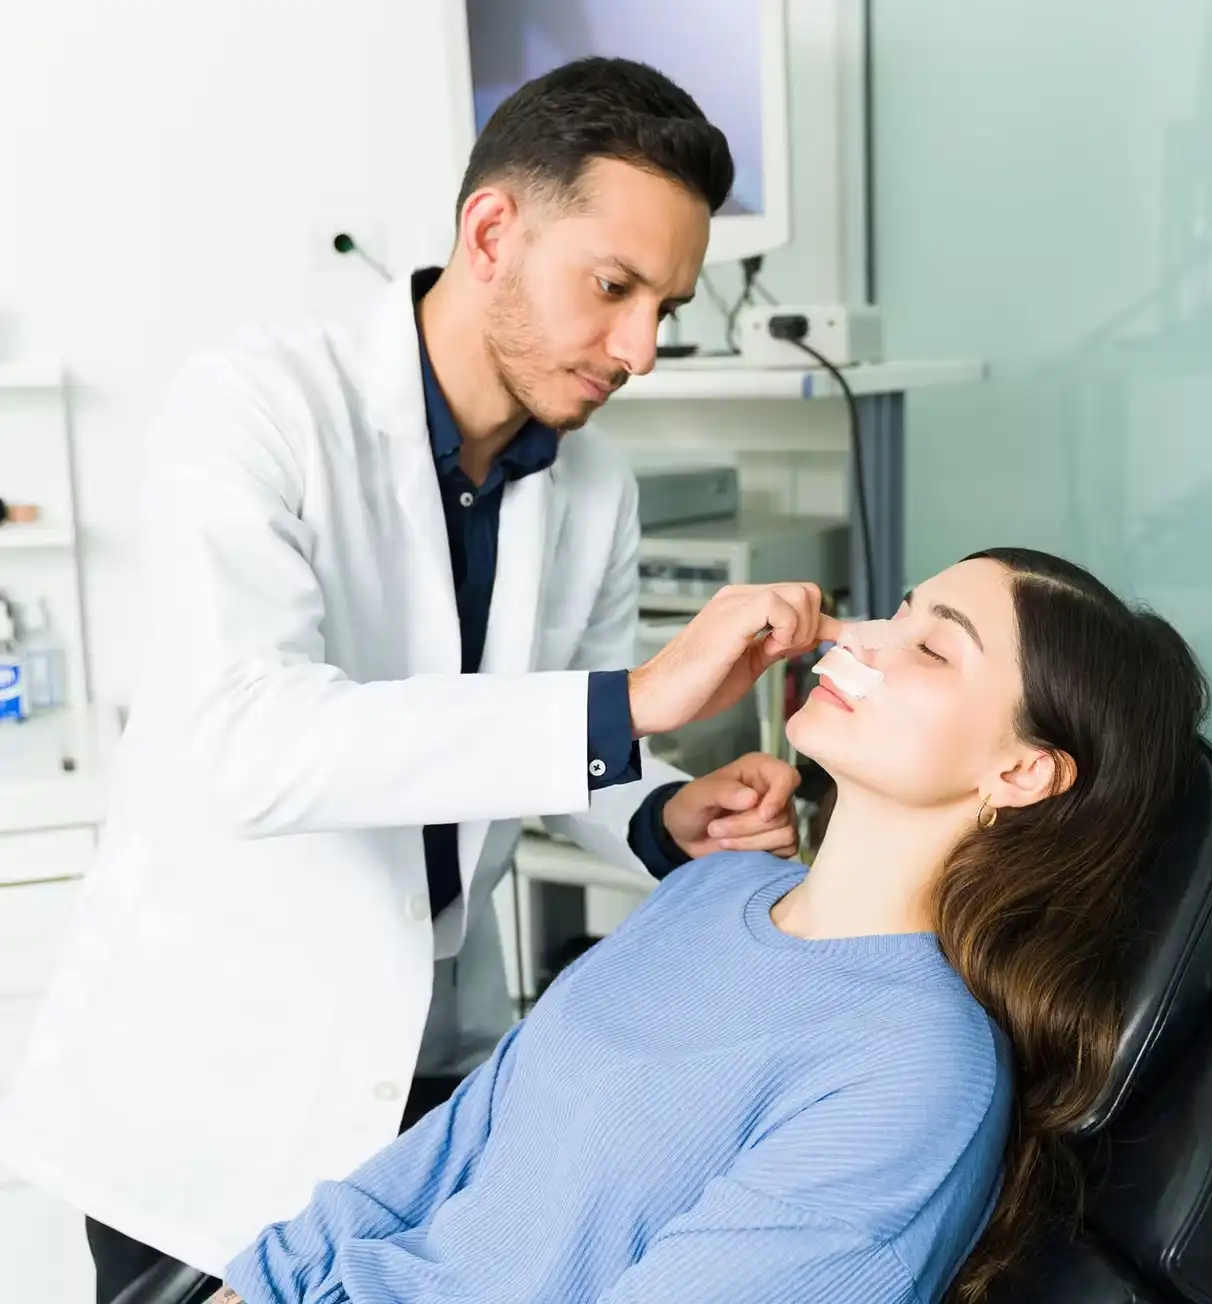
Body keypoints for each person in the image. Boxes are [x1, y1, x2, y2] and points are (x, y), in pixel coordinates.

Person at [0, 58, 820, 1303]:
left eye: (666, 304)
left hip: (430, 1071)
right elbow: (255, 743)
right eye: (612, 287)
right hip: (210, 1094)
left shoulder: (592, 487)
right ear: (491, 230)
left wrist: (659, 809)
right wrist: (634, 703)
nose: (641, 349)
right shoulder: (256, 409)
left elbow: (560, 746)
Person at [209, 549, 1210, 1304]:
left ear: (1019, 771)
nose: (857, 638)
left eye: (931, 646)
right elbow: (436, 1162)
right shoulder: (705, 892)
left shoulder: (913, 1067)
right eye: (894, 612)